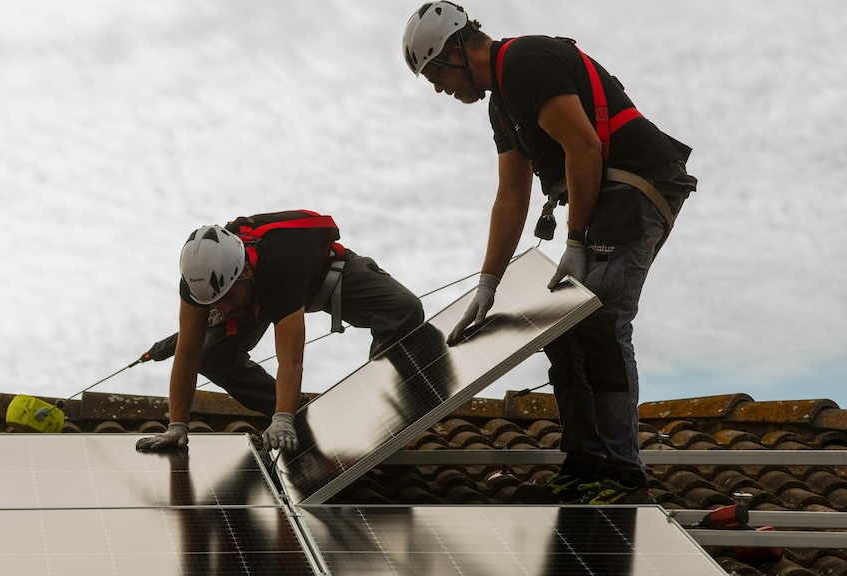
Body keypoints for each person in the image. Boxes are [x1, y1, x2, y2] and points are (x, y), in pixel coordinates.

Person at [403, 3, 697, 504]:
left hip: (637, 183)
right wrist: (487, 284)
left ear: (457, 49)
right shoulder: (503, 104)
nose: (438, 88)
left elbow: (584, 147)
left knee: (602, 318)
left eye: (436, 73)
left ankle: (622, 474)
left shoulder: (525, 62)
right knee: (562, 329)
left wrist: (577, 240)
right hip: (602, 193)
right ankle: (585, 465)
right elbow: (511, 196)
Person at [135, 210, 424, 454]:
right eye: (212, 303)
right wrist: (177, 425)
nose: (220, 308)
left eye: (224, 299)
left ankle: (377, 405)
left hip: (322, 274)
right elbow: (187, 352)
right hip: (255, 295)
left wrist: (281, 419)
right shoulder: (199, 283)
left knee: (403, 308)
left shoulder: (279, 262)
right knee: (210, 354)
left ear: (244, 272)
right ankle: (299, 411)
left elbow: (290, 359)